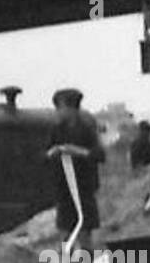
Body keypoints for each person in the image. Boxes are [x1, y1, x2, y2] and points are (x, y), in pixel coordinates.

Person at [44, 88, 106, 253]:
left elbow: (99, 155)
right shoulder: (56, 130)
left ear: (71, 108)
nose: (58, 112)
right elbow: (46, 153)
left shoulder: (87, 129)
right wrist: (53, 153)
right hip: (64, 190)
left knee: (84, 235)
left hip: (83, 189)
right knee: (65, 235)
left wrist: (76, 151)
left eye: (60, 107)